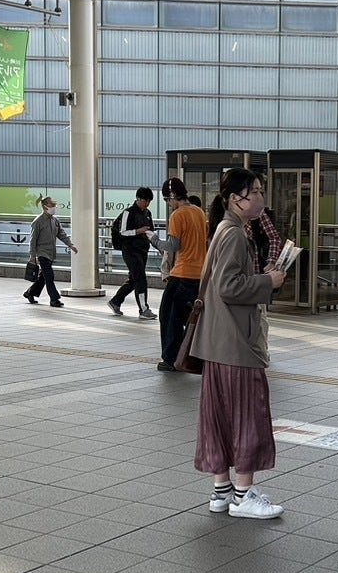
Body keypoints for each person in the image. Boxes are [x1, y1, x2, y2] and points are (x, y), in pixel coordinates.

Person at [188, 169, 287, 519]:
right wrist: (268, 281)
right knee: (248, 417)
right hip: (236, 343)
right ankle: (243, 496)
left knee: (219, 418)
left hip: (217, 343)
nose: (260, 197)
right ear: (235, 199)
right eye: (254, 191)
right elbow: (229, 287)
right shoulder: (234, 235)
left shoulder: (224, 229)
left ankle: (222, 491)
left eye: (260, 190)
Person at [157, 178, 206, 372]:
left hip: (182, 274)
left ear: (172, 196)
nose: (168, 204)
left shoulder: (178, 215)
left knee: (169, 317)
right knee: (188, 319)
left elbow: (173, 246)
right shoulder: (199, 212)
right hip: (199, 275)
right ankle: (189, 357)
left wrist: (154, 240)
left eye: (166, 200)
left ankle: (171, 360)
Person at [108, 187, 157, 318]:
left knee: (134, 279)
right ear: (138, 199)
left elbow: (150, 231)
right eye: (145, 201)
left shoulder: (147, 213)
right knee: (140, 278)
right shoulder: (128, 212)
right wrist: (138, 231)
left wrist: (158, 247)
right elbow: (123, 232)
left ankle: (115, 301)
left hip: (143, 249)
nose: (147, 204)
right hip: (130, 250)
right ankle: (143, 309)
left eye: (149, 201)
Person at [23, 196, 76, 307]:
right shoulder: (38, 221)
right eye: (51, 205)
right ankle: (54, 299)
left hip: (51, 253)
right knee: (49, 276)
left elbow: (61, 234)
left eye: (54, 205)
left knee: (43, 277)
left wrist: (70, 245)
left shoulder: (55, 220)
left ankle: (29, 293)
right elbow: (33, 240)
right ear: (44, 207)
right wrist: (32, 255)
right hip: (42, 253)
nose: (53, 207)